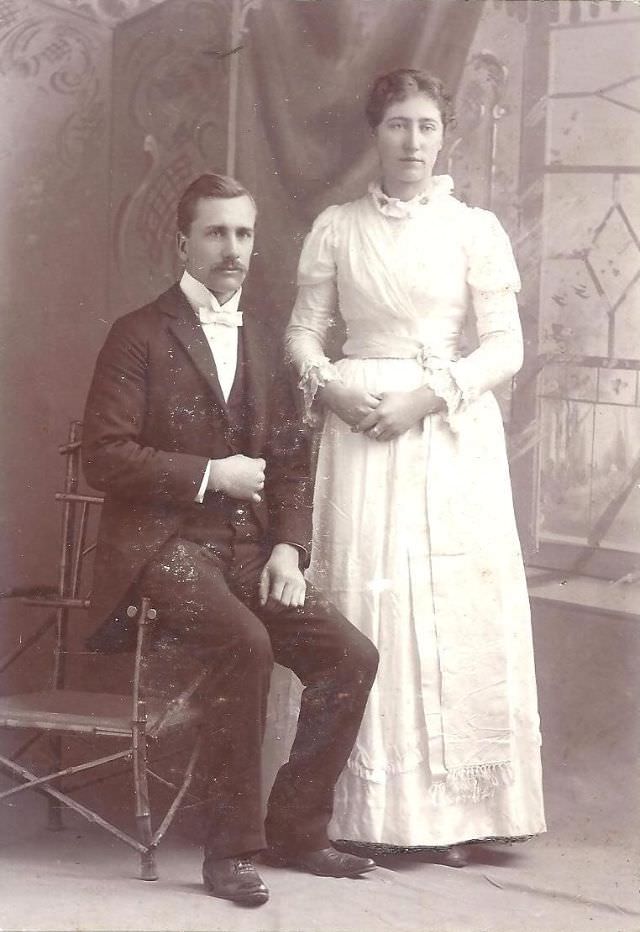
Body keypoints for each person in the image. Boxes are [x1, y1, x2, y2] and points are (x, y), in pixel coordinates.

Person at [82, 172, 379, 907]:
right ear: (182, 241)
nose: (232, 249)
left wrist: (289, 549)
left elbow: (290, 464)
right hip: (163, 547)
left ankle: (297, 830)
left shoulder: (264, 334)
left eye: (243, 233)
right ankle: (231, 850)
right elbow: (106, 455)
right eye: (216, 233)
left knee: (350, 657)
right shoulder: (138, 334)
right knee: (244, 644)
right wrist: (212, 473)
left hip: (250, 550)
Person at [285, 69, 546, 865]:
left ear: (444, 135)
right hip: (360, 427)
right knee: (370, 598)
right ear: (377, 132)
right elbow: (302, 331)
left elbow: (506, 348)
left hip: (447, 432)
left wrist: (429, 397)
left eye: (426, 126)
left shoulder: (476, 230)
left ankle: (452, 815)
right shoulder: (336, 227)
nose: (412, 142)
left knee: (448, 604)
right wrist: (329, 387)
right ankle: (359, 806)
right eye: (398, 125)